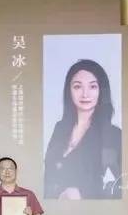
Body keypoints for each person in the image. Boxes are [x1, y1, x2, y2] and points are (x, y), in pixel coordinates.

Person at [44, 59, 122, 200]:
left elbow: (122, 185)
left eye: (93, 87)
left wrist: (82, 193)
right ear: (69, 91)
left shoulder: (113, 134)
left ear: (101, 91)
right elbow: (48, 176)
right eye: (77, 87)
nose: (85, 94)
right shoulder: (60, 128)